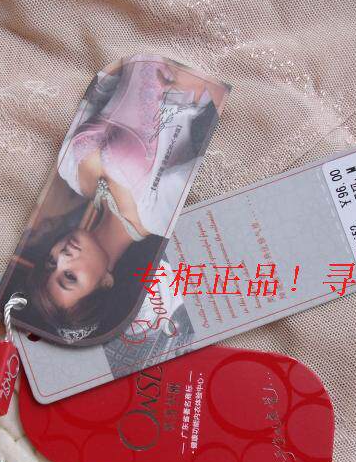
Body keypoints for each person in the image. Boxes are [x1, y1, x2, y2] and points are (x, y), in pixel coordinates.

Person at [26, 55, 227, 343]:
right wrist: (196, 80)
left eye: (51, 261)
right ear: (105, 282)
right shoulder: (157, 217)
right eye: (69, 277)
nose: (62, 257)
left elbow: (96, 87)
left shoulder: (70, 172)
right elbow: (213, 143)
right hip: (199, 60)